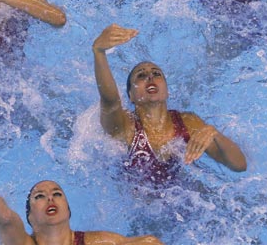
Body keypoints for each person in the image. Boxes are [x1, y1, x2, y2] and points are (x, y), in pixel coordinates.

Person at [92, 24, 247, 183]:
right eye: (141, 75)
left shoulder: (188, 123)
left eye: (156, 74)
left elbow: (239, 166)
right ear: (131, 95)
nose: (150, 77)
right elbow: (110, 101)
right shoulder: (125, 126)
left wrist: (215, 134)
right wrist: (99, 52)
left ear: (167, 92)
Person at [0, 159, 163, 245]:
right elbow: (5, 217)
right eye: (39, 196)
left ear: (68, 211)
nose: (50, 198)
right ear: (30, 217)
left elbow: (150, 242)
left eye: (57, 193)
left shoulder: (96, 242)